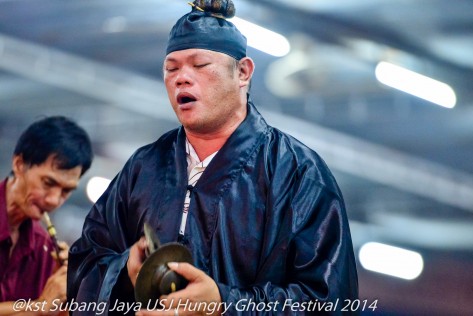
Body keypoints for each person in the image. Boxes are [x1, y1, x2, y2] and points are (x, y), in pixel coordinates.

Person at [68, 0, 358, 315]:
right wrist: (126, 271)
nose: (181, 77)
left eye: (200, 65)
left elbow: (330, 301)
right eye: (171, 68)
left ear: (243, 72)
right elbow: (85, 263)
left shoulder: (298, 173)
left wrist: (224, 303)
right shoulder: (144, 168)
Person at [0, 116, 93, 315]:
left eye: (66, 191)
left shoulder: (44, 247)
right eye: (48, 183)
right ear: (19, 164)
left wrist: (70, 292)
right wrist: (41, 304)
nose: (53, 200)